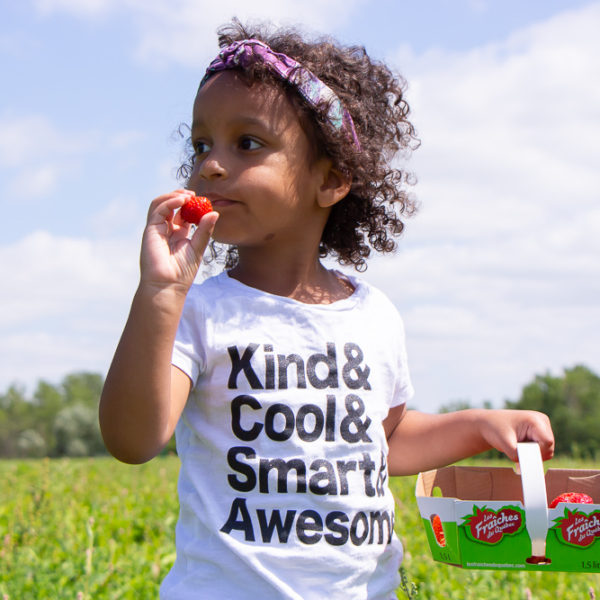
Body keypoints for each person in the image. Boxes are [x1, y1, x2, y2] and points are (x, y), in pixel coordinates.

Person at [99, 19, 555, 600]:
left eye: (247, 143)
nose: (210, 165)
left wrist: (477, 426)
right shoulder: (202, 309)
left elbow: (381, 442)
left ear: (332, 180)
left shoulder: (374, 316)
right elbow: (132, 440)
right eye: (201, 144)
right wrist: (160, 295)